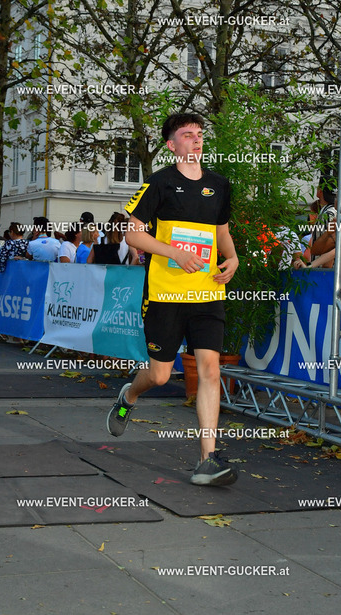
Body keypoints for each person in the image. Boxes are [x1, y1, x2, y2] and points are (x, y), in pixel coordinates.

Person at [106, 112, 239, 486]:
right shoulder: (158, 183)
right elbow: (133, 235)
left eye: (200, 134)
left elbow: (222, 232)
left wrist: (232, 258)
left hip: (207, 292)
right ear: (171, 144)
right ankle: (129, 396)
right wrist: (174, 253)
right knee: (161, 375)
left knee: (210, 369)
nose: (196, 139)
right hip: (165, 294)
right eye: (187, 134)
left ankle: (207, 460)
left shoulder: (219, 185)